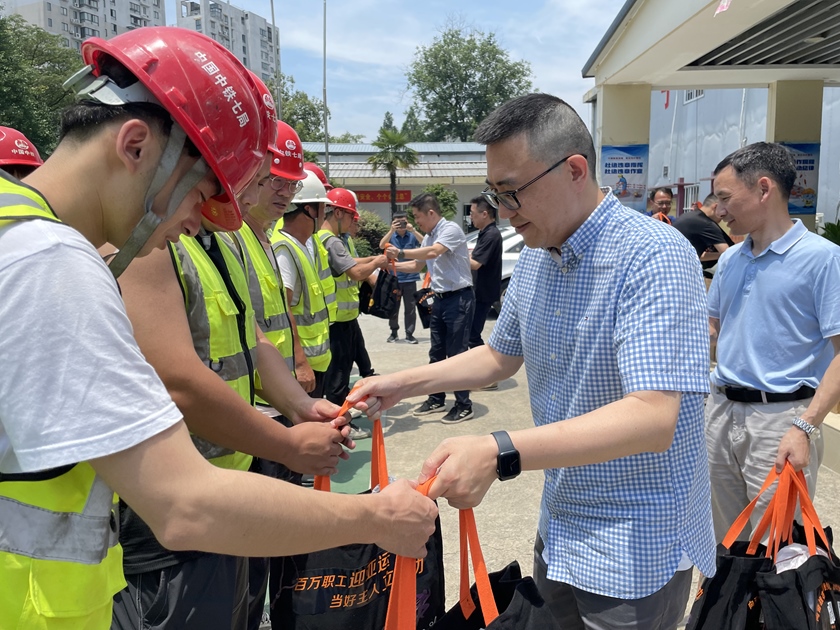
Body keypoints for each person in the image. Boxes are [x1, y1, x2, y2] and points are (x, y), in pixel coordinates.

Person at [0, 27, 437, 630]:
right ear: (134, 146)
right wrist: (376, 518)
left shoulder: (15, 229)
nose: (197, 222)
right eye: (201, 194)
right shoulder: (50, 263)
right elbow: (183, 504)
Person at [354, 93, 716, 630]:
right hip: (562, 522)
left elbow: (652, 416)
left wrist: (499, 450)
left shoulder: (653, 254)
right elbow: (499, 356)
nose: (503, 210)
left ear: (575, 170)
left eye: (512, 191)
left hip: (634, 540)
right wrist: (401, 384)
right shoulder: (538, 257)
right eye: (494, 194)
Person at [706, 142, 840, 542]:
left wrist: (804, 427)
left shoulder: (823, 259)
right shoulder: (730, 260)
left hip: (781, 420)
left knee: (777, 550)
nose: (718, 210)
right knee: (722, 542)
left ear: (764, 188)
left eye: (725, 197)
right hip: (720, 413)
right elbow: (712, 332)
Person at [390, 193, 475, 424]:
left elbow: (433, 253)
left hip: (459, 299)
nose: (415, 222)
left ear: (431, 213)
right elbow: (416, 265)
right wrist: (388, 265)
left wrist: (399, 252)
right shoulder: (429, 236)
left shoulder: (450, 230)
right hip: (439, 299)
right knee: (436, 352)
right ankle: (437, 398)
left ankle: (464, 405)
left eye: (417, 216)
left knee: (457, 355)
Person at [318, 187, 389, 438]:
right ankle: (340, 427)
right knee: (338, 378)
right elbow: (355, 272)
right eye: (351, 216)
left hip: (340, 318)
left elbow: (352, 263)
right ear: (338, 213)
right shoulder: (331, 240)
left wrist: (372, 260)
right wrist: (377, 263)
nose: (353, 222)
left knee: (340, 373)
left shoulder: (326, 239)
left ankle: (340, 420)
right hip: (337, 320)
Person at [271, 171, 333, 397]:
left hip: (315, 362)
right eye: (323, 207)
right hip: (303, 367)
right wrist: (300, 363)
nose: (325, 215)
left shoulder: (300, 245)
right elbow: (284, 307)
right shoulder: (285, 250)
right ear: (309, 210)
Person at [673, 193, 734, 286]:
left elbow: (699, 256)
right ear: (716, 206)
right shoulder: (707, 224)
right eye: (725, 211)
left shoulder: (689, 217)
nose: (725, 216)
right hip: (684, 275)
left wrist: (719, 255)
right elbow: (729, 254)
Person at [379, 211, 422, 343]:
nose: (401, 225)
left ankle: (409, 334)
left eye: (403, 222)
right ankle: (394, 332)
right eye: (397, 223)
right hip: (394, 278)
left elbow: (425, 243)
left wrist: (413, 230)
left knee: (410, 308)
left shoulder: (412, 236)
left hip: (410, 278)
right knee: (393, 307)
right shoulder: (391, 236)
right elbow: (381, 245)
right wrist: (391, 230)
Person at [467, 196, 503, 350]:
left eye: (472, 213)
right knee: (470, 333)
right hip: (478, 290)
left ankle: (485, 362)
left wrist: (454, 254)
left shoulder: (491, 235)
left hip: (483, 293)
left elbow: (475, 264)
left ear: (484, 214)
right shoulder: (484, 233)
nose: (470, 217)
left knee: (472, 335)